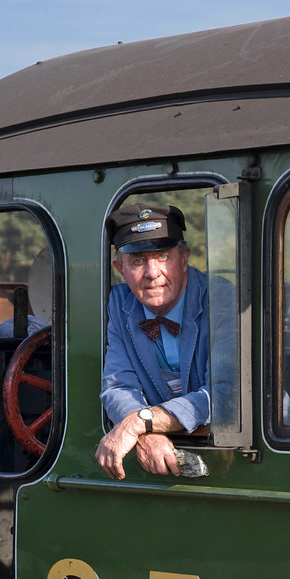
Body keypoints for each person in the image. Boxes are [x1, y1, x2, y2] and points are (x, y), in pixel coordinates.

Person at [96, 203, 215, 480]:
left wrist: (140, 423)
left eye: (163, 256)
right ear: (120, 269)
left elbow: (223, 397)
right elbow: (118, 386)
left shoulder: (221, 299)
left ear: (184, 258)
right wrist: (144, 433)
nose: (152, 273)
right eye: (137, 260)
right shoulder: (117, 304)